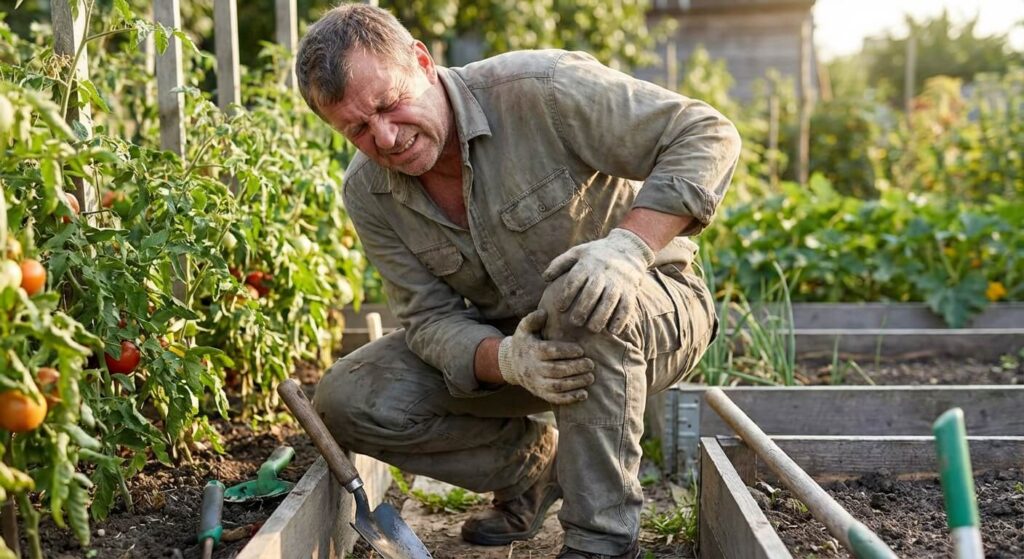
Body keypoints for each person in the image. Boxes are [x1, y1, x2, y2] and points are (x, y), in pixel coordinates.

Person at [296, 5, 740, 558]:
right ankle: (535, 467)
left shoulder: (541, 90)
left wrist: (628, 249)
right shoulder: (369, 193)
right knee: (347, 397)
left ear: (422, 62)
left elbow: (705, 132)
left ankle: (600, 540)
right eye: (357, 129)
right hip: (524, 344)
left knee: (580, 299)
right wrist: (506, 359)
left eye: (389, 105)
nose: (384, 137)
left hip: (653, 307)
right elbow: (428, 319)